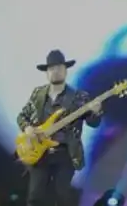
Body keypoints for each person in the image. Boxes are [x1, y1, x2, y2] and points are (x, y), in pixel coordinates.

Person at [15, 50, 104, 206]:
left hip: (65, 153)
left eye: (59, 68)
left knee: (63, 197)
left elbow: (93, 123)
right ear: (47, 72)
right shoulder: (38, 94)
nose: (55, 71)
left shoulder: (79, 97)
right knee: (35, 197)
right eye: (52, 68)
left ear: (65, 70)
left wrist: (96, 112)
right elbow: (22, 116)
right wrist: (28, 128)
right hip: (39, 153)